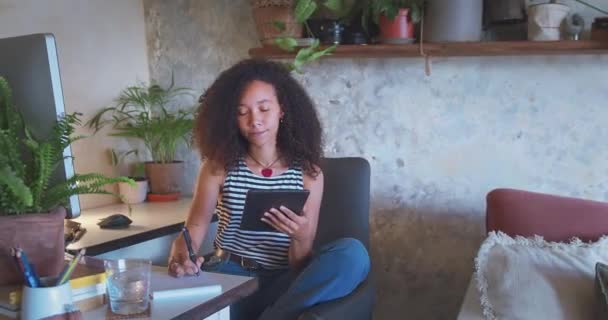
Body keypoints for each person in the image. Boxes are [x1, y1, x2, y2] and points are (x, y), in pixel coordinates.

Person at [167, 59, 370, 320]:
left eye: (264, 109)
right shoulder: (218, 167)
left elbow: (300, 263)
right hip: (229, 275)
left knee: (353, 254)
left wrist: (301, 236)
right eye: (242, 112)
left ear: (281, 110)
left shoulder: (309, 173)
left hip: (284, 281)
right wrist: (183, 254)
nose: (255, 121)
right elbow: (192, 231)